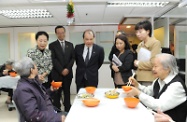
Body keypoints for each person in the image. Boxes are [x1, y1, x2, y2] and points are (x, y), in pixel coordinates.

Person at [127, 53, 187, 122]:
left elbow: (160, 106)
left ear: (167, 68)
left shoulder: (176, 86)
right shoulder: (159, 80)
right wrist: (137, 85)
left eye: (156, 66)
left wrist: (138, 93)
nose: (153, 69)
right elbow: (149, 92)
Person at [13, 57, 66, 122]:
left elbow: (40, 98)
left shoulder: (32, 82)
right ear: (32, 70)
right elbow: (34, 116)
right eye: (35, 66)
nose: (37, 67)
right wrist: (57, 118)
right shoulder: (23, 90)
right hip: (49, 118)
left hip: (50, 114)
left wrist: (51, 90)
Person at [49, 25, 75, 112]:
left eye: (62, 32)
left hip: (68, 75)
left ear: (65, 33)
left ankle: (68, 110)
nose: (61, 34)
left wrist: (67, 69)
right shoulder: (52, 45)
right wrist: (61, 70)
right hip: (57, 75)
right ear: (56, 34)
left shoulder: (70, 45)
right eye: (59, 33)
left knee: (67, 93)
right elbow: (53, 59)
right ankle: (57, 111)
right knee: (56, 94)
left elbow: (72, 58)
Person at [134, 20, 161, 86]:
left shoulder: (155, 43)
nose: (138, 34)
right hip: (139, 77)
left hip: (149, 78)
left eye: (140, 32)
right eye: (136, 32)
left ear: (148, 31)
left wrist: (138, 63)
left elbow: (153, 63)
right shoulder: (140, 44)